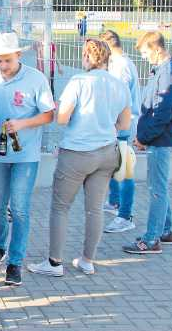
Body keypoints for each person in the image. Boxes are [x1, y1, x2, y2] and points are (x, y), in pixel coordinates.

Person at [27, 39, 131, 277]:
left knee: (61, 207)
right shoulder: (119, 85)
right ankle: (87, 260)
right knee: (95, 209)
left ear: (86, 57)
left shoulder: (79, 81)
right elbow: (124, 124)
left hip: (77, 152)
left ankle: (54, 262)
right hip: (107, 152)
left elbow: (62, 118)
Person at [0, 32, 55, 286]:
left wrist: (22, 124)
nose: (2, 66)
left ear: (19, 56)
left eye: (7, 60)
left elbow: (48, 115)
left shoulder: (36, 78)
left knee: (19, 208)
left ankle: (15, 262)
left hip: (26, 155)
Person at [122, 32, 172, 255]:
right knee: (158, 185)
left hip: (161, 139)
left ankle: (152, 240)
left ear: (157, 49)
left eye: (145, 52)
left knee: (156, 188)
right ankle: (165, 230)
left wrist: (144, 138)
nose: (144, 57)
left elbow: (161, 113)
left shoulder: (168, 74)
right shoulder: (163, 70)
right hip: (160, 137)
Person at [99, 30, 141, 234]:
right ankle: (114, 202)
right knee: (116, 167)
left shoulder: (122, 66)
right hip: (117, 126)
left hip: (123, 125)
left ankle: (126, 215)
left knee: (125, 171)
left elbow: (120, 98)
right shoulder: (118, 64)